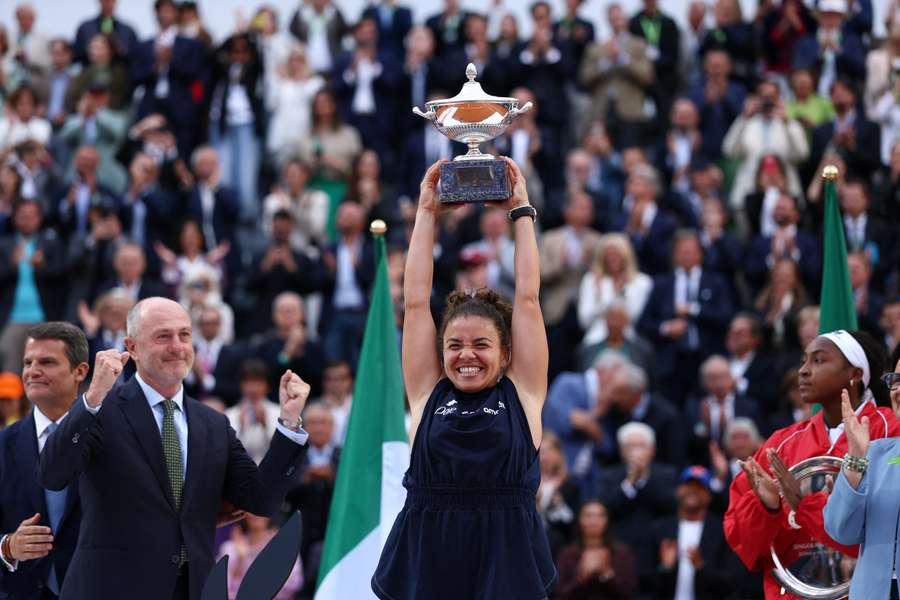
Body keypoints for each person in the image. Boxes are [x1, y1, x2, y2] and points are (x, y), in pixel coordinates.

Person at [39, 297, 312, 600]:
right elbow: (53, 473)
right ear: (132, 347)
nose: (177, 346)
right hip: (111, 588)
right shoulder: (99, 409)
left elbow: (260, 500)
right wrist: (92, 398)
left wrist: (288, 424)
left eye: (184, 335)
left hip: (192, 589)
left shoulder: (213, 424)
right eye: (163, 336)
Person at [372, 159, 557, 599]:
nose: (466, 356)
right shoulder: (427, 393)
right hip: (428, 554)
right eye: (454, 345)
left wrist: (522, 211)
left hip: (507, 553)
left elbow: (528, 298)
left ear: (506, 352)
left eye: (481, 345)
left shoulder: (524, 393)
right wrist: (425, 213)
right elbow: (416, 304)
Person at [724, 329, 900, 599]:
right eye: (804, 361)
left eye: (818, 361)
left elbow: (883, 536)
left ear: (855, 374)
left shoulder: (892, 431)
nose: (803, 371)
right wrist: (767, 509)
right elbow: (745, 543)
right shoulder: (782, 444)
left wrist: (804, 505)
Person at [0, 323, 88, 599]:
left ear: (80, 371)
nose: (32, 371)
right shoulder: (2, 444)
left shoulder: (111, 440)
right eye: (28, 362)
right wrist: (7, 547)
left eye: (47, 362)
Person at [824, 359, 900, 600]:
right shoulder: (875, 453)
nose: (898, 390)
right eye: (895, 381)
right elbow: (840, 530)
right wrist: (855, 458)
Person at [553, 500, 638, 599]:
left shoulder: (621, 553)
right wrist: (582, 577)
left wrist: (607, 574)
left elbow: (629, 592)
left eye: (600, 516)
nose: (594, 521)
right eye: (588, 515)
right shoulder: (567, 554)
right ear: (579, 520)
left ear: (607, 520)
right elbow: (559, 594)